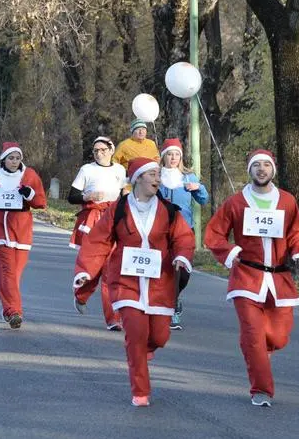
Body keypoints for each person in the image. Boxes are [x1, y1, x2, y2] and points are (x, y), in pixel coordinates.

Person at [72, 157, 195, 407]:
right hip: (126, 282)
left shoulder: (169, 211)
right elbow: (97, 242)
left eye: (158, 175)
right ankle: (140, 390)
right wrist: (86, 271)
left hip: (160, 282)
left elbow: (184, 237)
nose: (157, 179)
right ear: (138, 177)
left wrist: (181, 257)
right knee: (136, 335)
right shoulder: (118, 210)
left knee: (159, 337)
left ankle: (145, 350)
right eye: (152, 174)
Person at [204, 149, 299, 408]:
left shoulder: (287, 201)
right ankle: (261, 389)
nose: (261, 169)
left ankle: (261, 351)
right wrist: (230, 251)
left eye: (266, 165)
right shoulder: (235, 202)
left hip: (279, 279)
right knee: (253, 335)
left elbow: (296, 234)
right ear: (249, 170)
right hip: (246, 278)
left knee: (278, 336)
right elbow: (214, 234)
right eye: (256, 165)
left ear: (273, 170)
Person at [0, 142, 46, 329]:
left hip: (21, 228)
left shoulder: (29, 175)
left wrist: (29, 194)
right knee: (8, 269)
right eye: (11, 158)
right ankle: (14, 311)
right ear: (3, 159)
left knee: (15, 273)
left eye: (17, 158)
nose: (14, 162)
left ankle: (8, 307)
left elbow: (41, 201)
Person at [67, 136, 127, 330]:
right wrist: (87, 196)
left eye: (103, 150)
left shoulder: (119, 170)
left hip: (113, 218)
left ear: (111, 150)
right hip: (93, 219)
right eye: (95, 151)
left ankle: (113, 319)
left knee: (111, 269)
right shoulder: (87, 170)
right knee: (94, 267)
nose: (99, 153)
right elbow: (71, 196)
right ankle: (81, 294)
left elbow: (124, 194)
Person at [157, 138, 209, 329]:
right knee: (164, 269)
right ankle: (171, 308)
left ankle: (173, 299)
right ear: (163, 157)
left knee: (183, 272)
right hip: (161, 230)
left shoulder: (189, 177)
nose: (173, 158)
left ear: (181, 157)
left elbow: (203, 200)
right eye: (169, 154)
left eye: (176, 154)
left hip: (185, 229)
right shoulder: (156, 175)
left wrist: (199, 188)